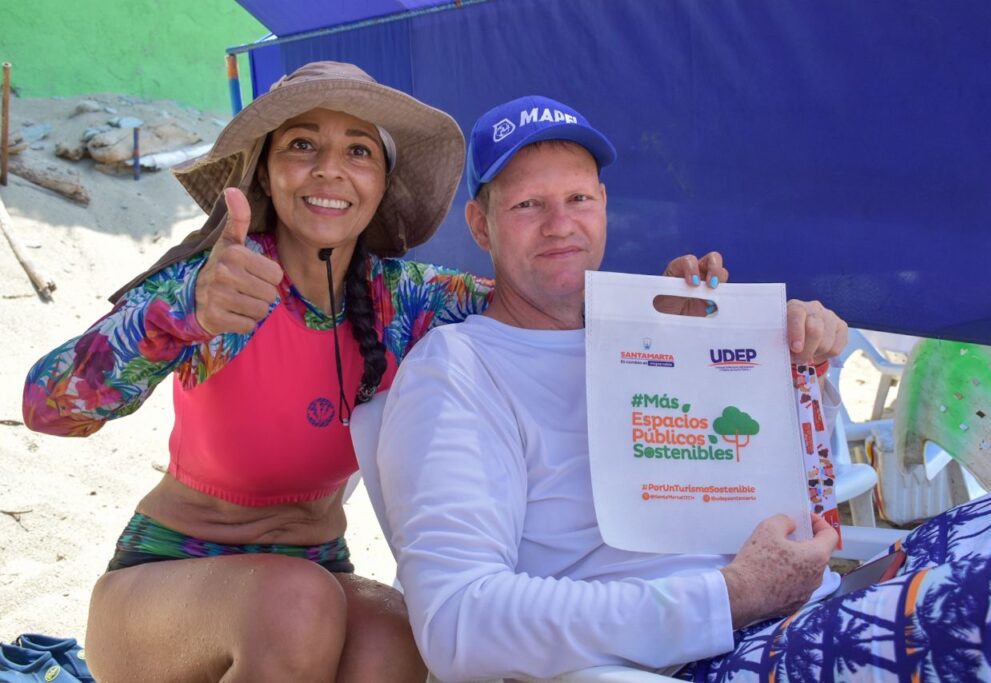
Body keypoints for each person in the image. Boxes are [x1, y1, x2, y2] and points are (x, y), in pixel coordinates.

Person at [22, 66, 714, 680]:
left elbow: (545, 301)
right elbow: (46, 407)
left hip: (316, 574)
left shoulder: (403, 300)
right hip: (163, 587)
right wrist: (182, 314)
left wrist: (668, 305)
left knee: (395, 636)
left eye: (358, 150)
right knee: (295, 604)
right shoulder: (216, 283)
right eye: (303, 145)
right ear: (265, 171)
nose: (330, 169)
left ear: (382, 183)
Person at [376, 95, 991, 682]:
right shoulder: (458, 368)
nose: (560, 224)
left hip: (796, 614)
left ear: (604, 205)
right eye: (527, 205)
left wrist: (797, 367)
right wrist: (732, 593)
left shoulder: (656, 327)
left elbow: (804, 487)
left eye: (579, 198)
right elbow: (460, 622)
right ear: (481, 225)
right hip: (699, 659)